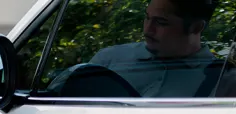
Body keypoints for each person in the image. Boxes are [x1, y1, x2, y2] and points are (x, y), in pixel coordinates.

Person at [86, 0, 223, 97]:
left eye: (161, 22)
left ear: (196, 27)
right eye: (147, 18)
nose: (147, 30)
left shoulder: (221, 79)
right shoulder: (109, 59)